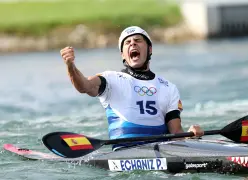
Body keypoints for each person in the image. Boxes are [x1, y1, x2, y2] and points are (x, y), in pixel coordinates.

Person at [60, 26, 204, 150]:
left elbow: (176, 133)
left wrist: (190, 136)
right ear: (123, 54)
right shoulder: (111, 79)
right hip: (124, 152)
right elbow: (84, 86)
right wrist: (71, 66)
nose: (132, 44)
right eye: (127, 42)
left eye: (138, 40)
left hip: (162, 152)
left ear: (150, 49)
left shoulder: (168, 87)